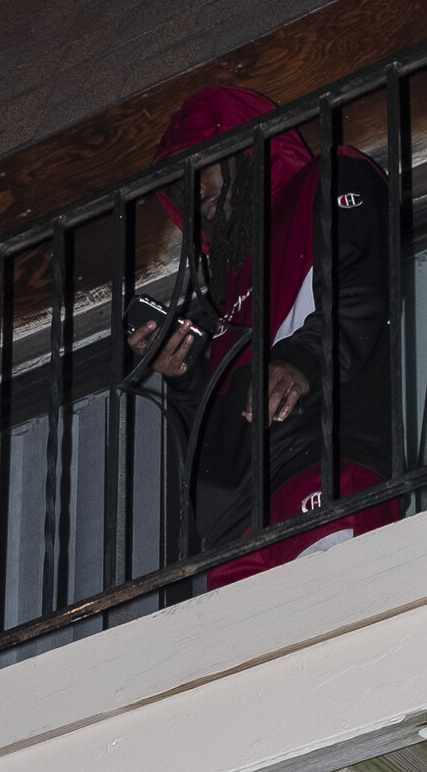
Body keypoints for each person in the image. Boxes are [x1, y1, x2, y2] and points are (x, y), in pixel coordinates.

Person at [133, 85, 397, 588]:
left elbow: (360, 286)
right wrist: (183, 375)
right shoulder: (225, 284)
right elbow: (210, 431)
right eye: (183, 191)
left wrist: (303, 359)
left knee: (345, 625)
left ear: (243, 147)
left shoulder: (331, 176)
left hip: (322, 463)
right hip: (235, 523)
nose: (198, 198)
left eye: (201, 172)